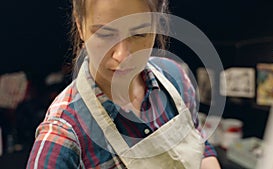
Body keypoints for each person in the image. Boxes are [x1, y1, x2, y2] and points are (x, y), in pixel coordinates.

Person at [26, 0, 221, 168]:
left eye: (139, 34)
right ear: (80, 24)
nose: (122, 56)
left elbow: (200, 146)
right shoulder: (64, 134)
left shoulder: (176, 78)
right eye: (105, 33)